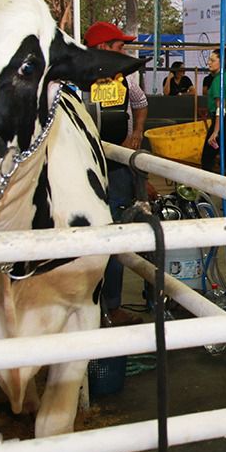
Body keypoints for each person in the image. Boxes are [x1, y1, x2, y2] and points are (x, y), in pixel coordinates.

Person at [84, 21, 149, 326]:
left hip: (117, 166)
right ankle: (84, 307)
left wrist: (136, 133)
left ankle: (112, 305)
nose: (125, 52)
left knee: (115, 232)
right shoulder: (75, 80)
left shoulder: (124, 78)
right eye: (120, 47)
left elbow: (141, 103)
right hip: (82, 167)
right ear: (102, 49)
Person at [201, 50, 226, 178]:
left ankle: (206, 194)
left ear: (221, 62)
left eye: (212, 60)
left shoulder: (219, 80)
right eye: (209, 60)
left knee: (207, 160)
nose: (209, 63)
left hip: (223, 121)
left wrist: (216, 132)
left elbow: (220, 108)